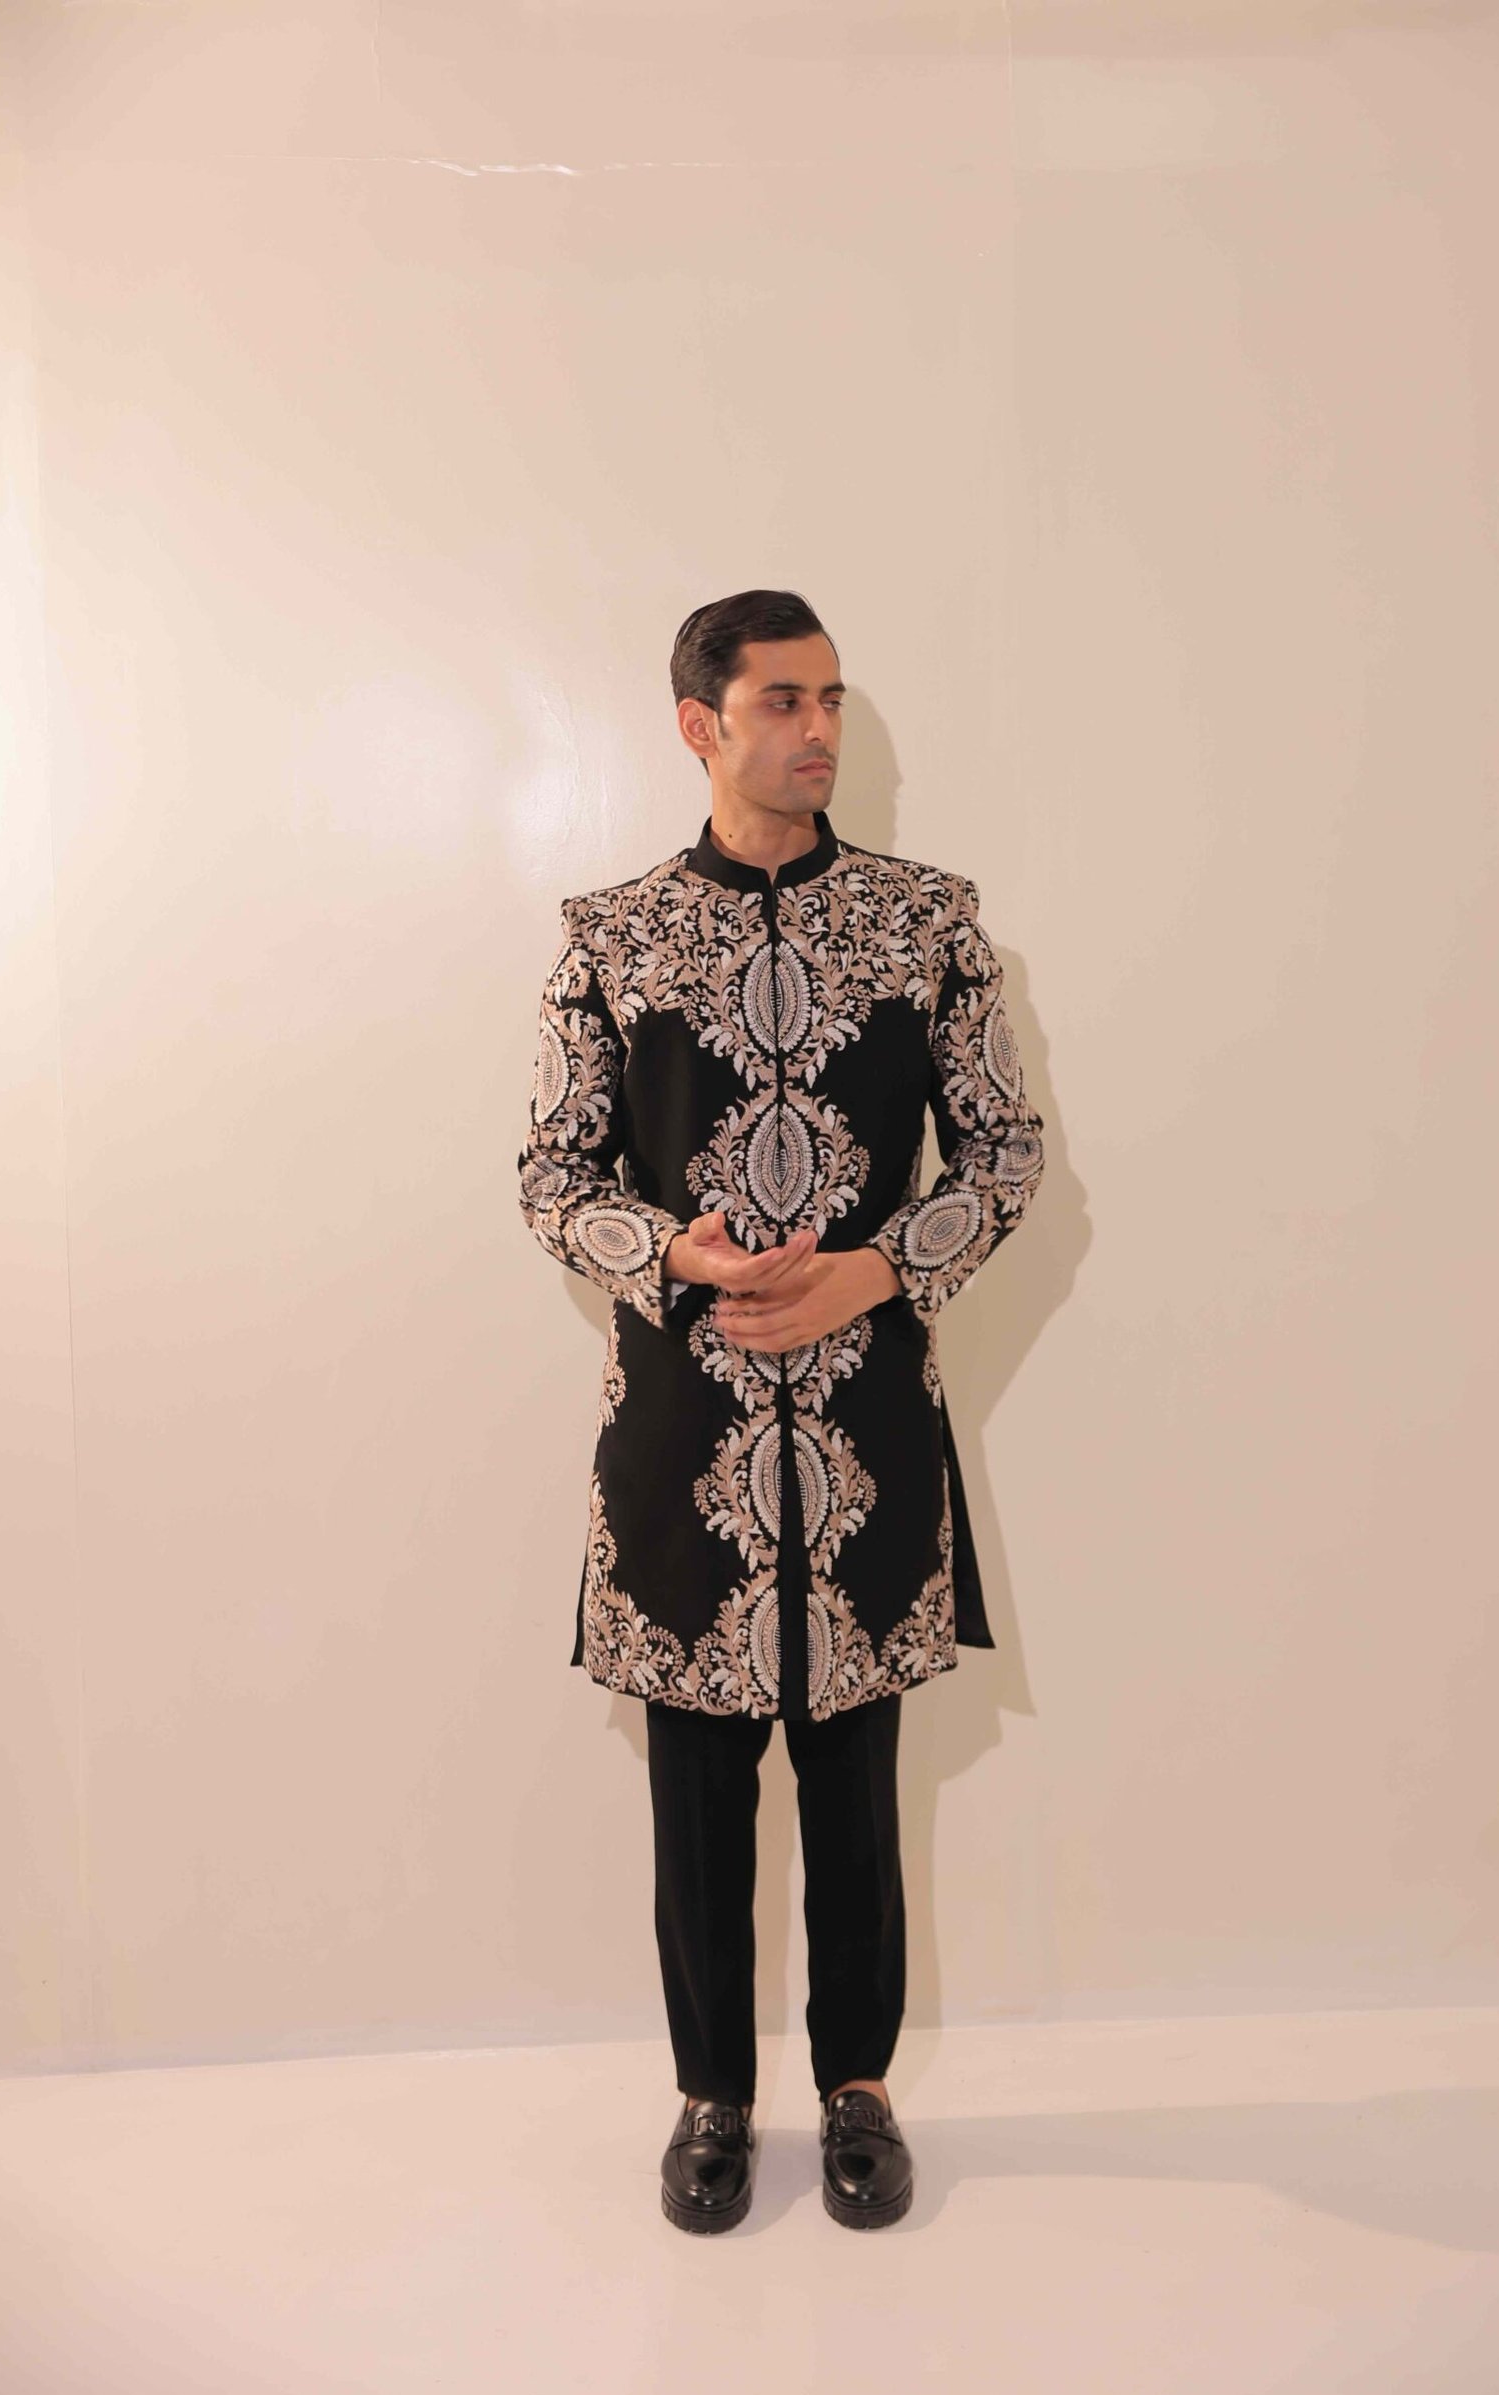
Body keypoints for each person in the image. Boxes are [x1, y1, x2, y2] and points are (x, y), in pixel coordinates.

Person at [516, 589, 1045, 2232]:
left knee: (858, 1793)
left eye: (831, 699)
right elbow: (552, 1175)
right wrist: (674, 1254)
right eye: (782, 702)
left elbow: (1007, 1154)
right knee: (693, 1801)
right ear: (701, 725)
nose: (820, 729)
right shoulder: (611, 938)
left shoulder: (926, 921)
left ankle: (858, 2091)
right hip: (684, 1433)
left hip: (869, 1426)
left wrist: (873, 1273)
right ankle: (711, 2099)